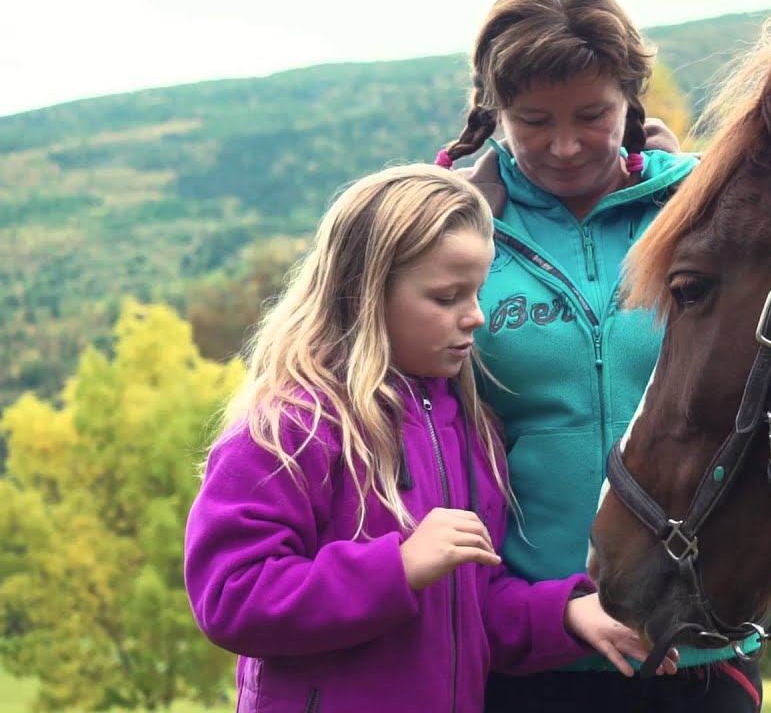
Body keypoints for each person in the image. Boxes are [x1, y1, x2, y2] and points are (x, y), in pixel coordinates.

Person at [433, 0, 771, 711]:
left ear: (630, 101)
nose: (564, 145)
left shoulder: (710, 212)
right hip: (526, 651)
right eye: (534, 121)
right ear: (493, 110)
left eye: (592, 115)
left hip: (700, 648)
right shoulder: (450, 234)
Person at [183, 164, 677, 713]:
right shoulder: (289, 428)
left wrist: (565, 613)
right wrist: (395, 568)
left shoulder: (471, 428)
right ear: (365, 293)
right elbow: (231, 597)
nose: (477, 318)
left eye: (478, 293)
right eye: (446, 298)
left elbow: (471, 605)